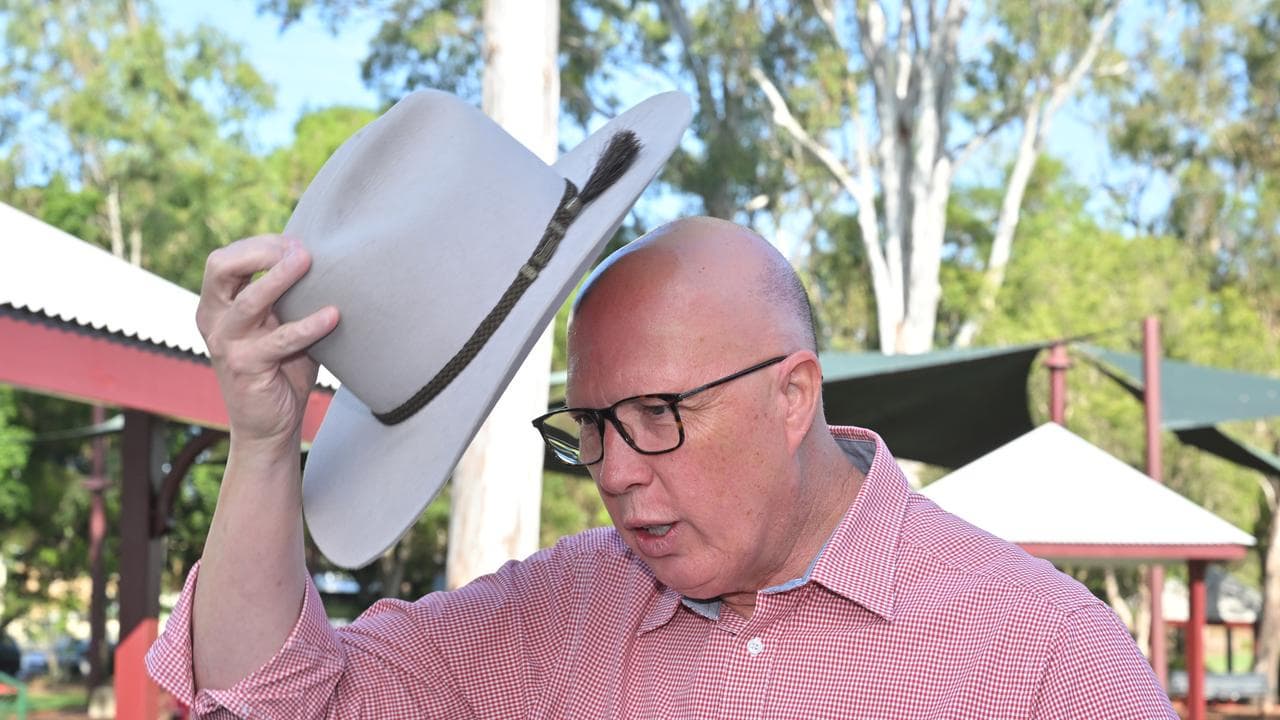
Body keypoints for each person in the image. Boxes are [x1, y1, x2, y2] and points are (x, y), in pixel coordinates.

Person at [147, 215, 1176, 718]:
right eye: (593, 424)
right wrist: (266, 442)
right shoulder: (559, 611)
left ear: (793, 396)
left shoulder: (1044, 654)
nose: (614, 471)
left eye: (657, 415)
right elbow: (273, 698)